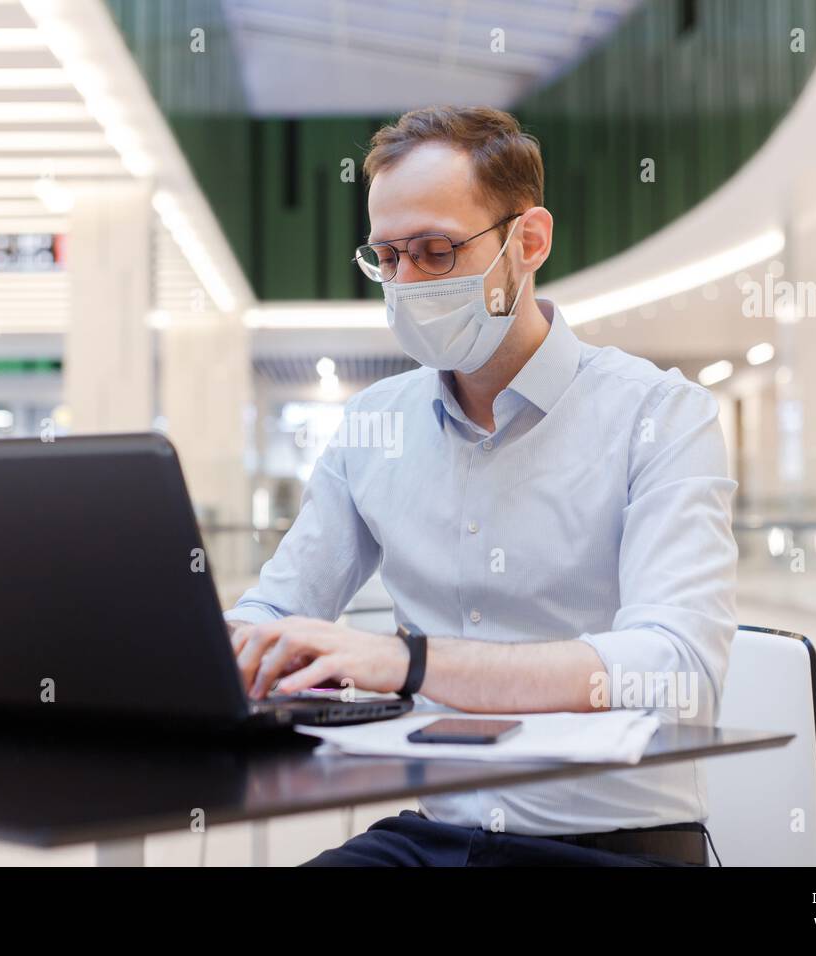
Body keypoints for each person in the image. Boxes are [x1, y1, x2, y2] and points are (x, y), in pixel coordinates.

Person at [226, 106, 737, 866]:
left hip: (614, 844)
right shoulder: (374, 427)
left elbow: (675, 666)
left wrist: (412, 661)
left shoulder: (659, 415)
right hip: (437, 834)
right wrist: (217, 652)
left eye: (435, 252)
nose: (405, 283)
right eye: (387, 257)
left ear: (527, 242)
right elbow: (278, 608)